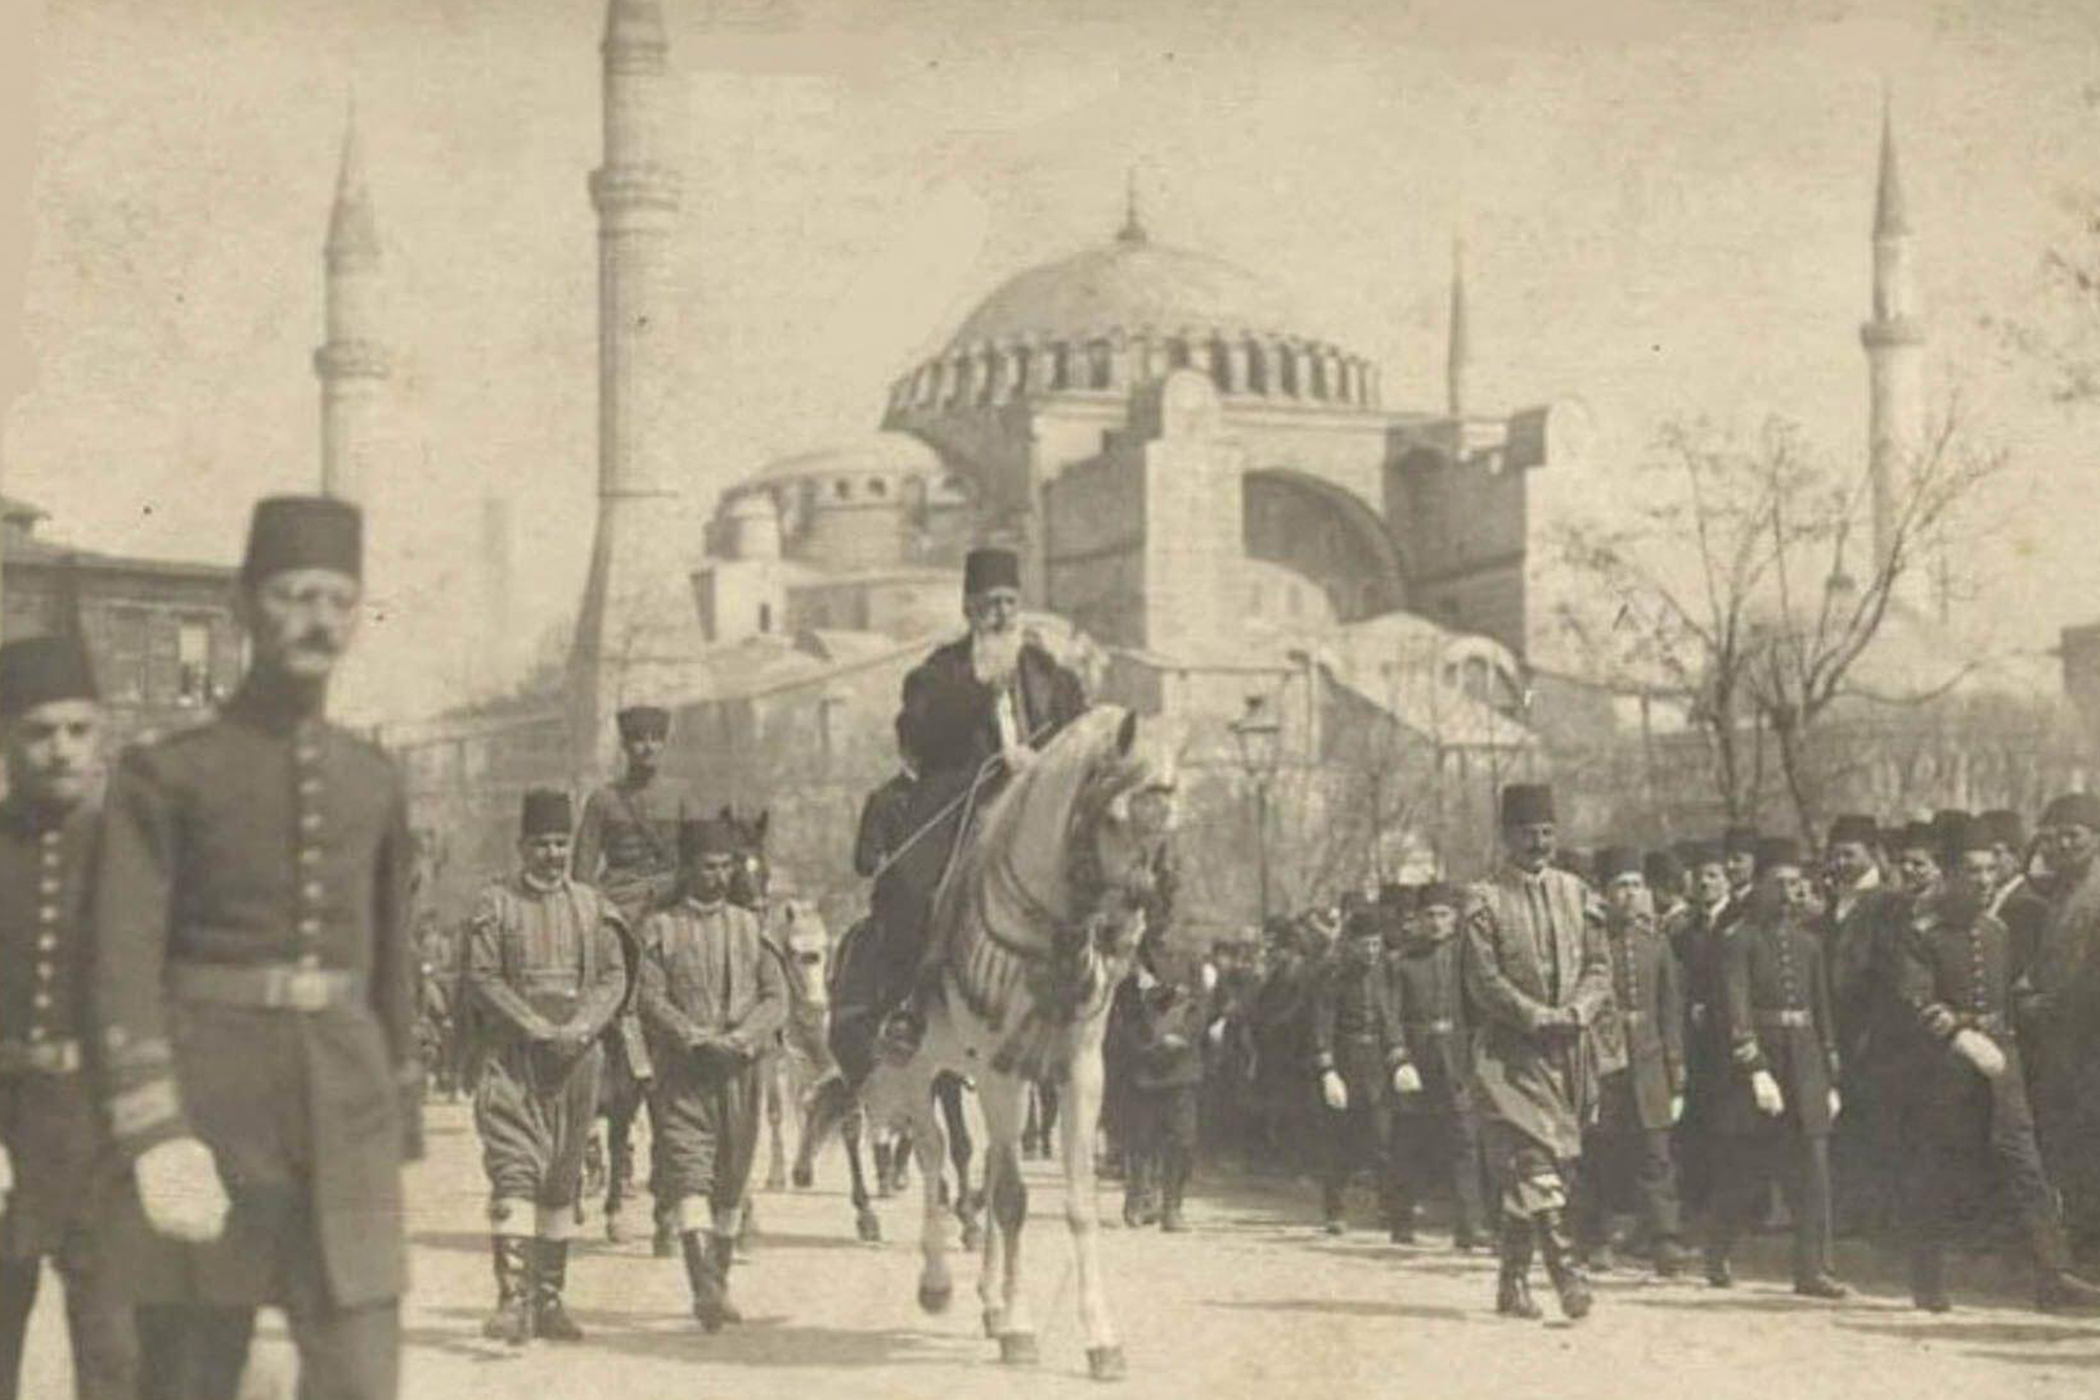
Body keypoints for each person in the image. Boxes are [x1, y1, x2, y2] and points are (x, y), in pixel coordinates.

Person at [91, 496, 421, 1400]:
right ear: (243, 607)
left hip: (346, 1119)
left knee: (359, 1376)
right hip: (209, 1114)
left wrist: (395, 1110)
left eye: (339, 600)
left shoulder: (371, 777)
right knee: (188, 1379)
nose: (319, 620)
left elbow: (392, 965)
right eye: (294, 595)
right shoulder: (166, 774)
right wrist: (155, 1130)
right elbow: (120, 962)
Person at [877, 546, 1087, 1059]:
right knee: (912, 883)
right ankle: (909, 1002)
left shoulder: (1050, 674)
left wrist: (1042, 764)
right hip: (966, 803)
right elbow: (918, 738)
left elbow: (1078, 733)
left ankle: (1131, 990)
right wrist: (976, 689)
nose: (1002, 614)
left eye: (1010, 602)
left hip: (1040, 801)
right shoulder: (937, 673)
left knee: (1105, 867)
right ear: (969, 609)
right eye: (991, 603)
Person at [0, 636, 136, 1400]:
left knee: (115, 1354)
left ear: (102, 734)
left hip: (105, 1132)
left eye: (78, 730)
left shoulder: (140, 852)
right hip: (3, 1124)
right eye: (38, 731)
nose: (60, 750)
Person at [1898, 816, 2100, 1313]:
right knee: (1939, 1167)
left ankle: (2053, 1275)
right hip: (1946, 1068)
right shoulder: (1919, 933)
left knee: (2025, 1165)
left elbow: (2005, 996)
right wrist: (1961, 1034)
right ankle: (1928, 1278)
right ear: (1948, 874)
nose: (1984, 880)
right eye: (1972, 871)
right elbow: (1915, 999)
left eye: (1990, 870)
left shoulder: (1997, 930)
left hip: (2002, 1061)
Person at [462, 789, 628, 1345]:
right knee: (514, 1171)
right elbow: (482, 977)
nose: (553, 855)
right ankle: (512, 1300)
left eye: (561, 844)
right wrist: (532, 1026)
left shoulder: (592, 904)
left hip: (577, 1061)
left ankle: (550, 1301)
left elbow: (613, 977)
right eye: (542, 845)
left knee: (560, 1180)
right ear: (521, 847)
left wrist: (583, 1026)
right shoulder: (495, 904)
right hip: (514, 1060)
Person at [1462, 783, 1612, 1322]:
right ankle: (1566, 1273)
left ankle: (1512, 1284)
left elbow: (1599, 967)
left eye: (1548, 833)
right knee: (1532, 1161)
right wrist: (1534, 1015)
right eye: (1528, 833)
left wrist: (1577, 1012)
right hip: (1510, 1054)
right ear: (1507, 837)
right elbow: (1484, 979)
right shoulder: (1483, 900)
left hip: (1568, 1052)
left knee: (1550, 1168)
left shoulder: (1578, 893)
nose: (1540, 843)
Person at [635, 818, 786, 1332]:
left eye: (725, 867)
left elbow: (777, 996)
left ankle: (717, 1285)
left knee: (730, 1182)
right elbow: (649, 996)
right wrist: (690, 1034)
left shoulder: (751, 926)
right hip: (685, 1071)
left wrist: (744, 1038)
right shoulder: (661, 927)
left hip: (740, 1072)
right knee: (689, 1173)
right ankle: (704, 1288)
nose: (718, 877)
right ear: (686, 868)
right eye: (707, 866)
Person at [570, 703, 695, 1250]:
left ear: (665, 744)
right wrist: (605, 909)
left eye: (655, 740)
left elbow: (699, 862)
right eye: (637, 740)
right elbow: (581, 871)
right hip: (618, 905)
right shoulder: (603, 801)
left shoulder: (682, 797)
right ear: (625, 746)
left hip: (669, 902)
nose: (646, 748)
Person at [1704, 837, 1848, 1299]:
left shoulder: (1809, 944)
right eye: (1778, 883)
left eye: (1795, 884)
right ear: (1759, 887)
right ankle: (1718, 1247)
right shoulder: (1738, 941)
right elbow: (1735, 1009)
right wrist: (1755, 1068)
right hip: (1762, 1065)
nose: (1788, 893)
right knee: (1746, 1170)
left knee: (1815, 1169)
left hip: (1805, 1064)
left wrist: (1829, 1075)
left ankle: (1813, 1270)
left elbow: (1823, 1011)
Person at [1572, 848, 1687, 1277]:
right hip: (1602, 1061)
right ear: (1604, 893)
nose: (1630, 895)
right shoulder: (1587, 943)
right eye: (1621, 886)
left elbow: (1670, 1010)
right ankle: (1595, 1238)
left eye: (1636, 886)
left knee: (1656, 1153)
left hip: (1649, 1061)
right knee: (1600, 1150)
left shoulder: (1656, 946)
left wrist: (1675, 1066)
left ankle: (1666, 1241)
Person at [2018, 791, 2100, 1260]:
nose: (2062, 845)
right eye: (2054, 837)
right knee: (2072, 1143)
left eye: (2074, 836)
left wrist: (2051, 1001)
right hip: (2065, 1041)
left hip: (2088, 1035)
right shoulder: (2064, 890)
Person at [1385, 882, 1485, 1251]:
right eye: (1429, 915)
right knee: (1410, 1140)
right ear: (1418, 919)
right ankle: (1401, 1218)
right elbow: (1390, 1015)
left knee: (1465, 1141)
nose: (1436, 922)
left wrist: (1476, 1056)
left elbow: (1480, 1011)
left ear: (1455, 918)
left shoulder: (1468, 960)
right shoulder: (1403, 963)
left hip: (1457, 1059)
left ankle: (1469, 1226)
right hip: (1417, 1058)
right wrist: (1399, 1057)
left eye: (1443, 915)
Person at [1821, 813, 1907, 1239]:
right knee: (1848, 1120)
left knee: (1877, 1121)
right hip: (1839, 1024)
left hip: (1873, 1028)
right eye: (1835, 855)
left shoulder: (1888, 902)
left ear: (1872, 854)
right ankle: (1851, 1211)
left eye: (1849, 854)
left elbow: (1890, 971)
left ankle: (1878, 1217)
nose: (1841, 862)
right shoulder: (1837, 899)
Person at [1308, 907, 1413, 1236]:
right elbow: (1321, 1026)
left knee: (1385, 1138)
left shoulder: (1387, 972)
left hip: (1379, 1065)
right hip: (1345, 1061)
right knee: (1338, 1138)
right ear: (1351, 943)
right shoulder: (1333, 975)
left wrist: (1400, 1057)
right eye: (1365, 944)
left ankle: (1390, 1209)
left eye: (1376, 944)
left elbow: (1393, 1017)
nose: (1371, 951)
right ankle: (1335, 1210)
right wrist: (1327, 1071)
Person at [1120, 956, 1207, 1233]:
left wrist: (1183, 1037)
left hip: (1181, 1067)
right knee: (1141, 1140)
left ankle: (1172, 1207)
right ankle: (1138, 1199)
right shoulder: (1132, 963)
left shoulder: (1191, 961)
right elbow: (1125, 1013)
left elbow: (1202, 1008)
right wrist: (1145, 1045)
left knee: (1183, 1140)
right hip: (1144, 1067)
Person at [1669, 841, 1732, 1217]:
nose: (1705, 884)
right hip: (1694, 1042)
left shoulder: (1739, 923)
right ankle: (1696, 1207)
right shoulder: (1683, 929)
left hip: (1728, 1037)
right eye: (1700, 877)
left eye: (1713, 876)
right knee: (1695, 1124)